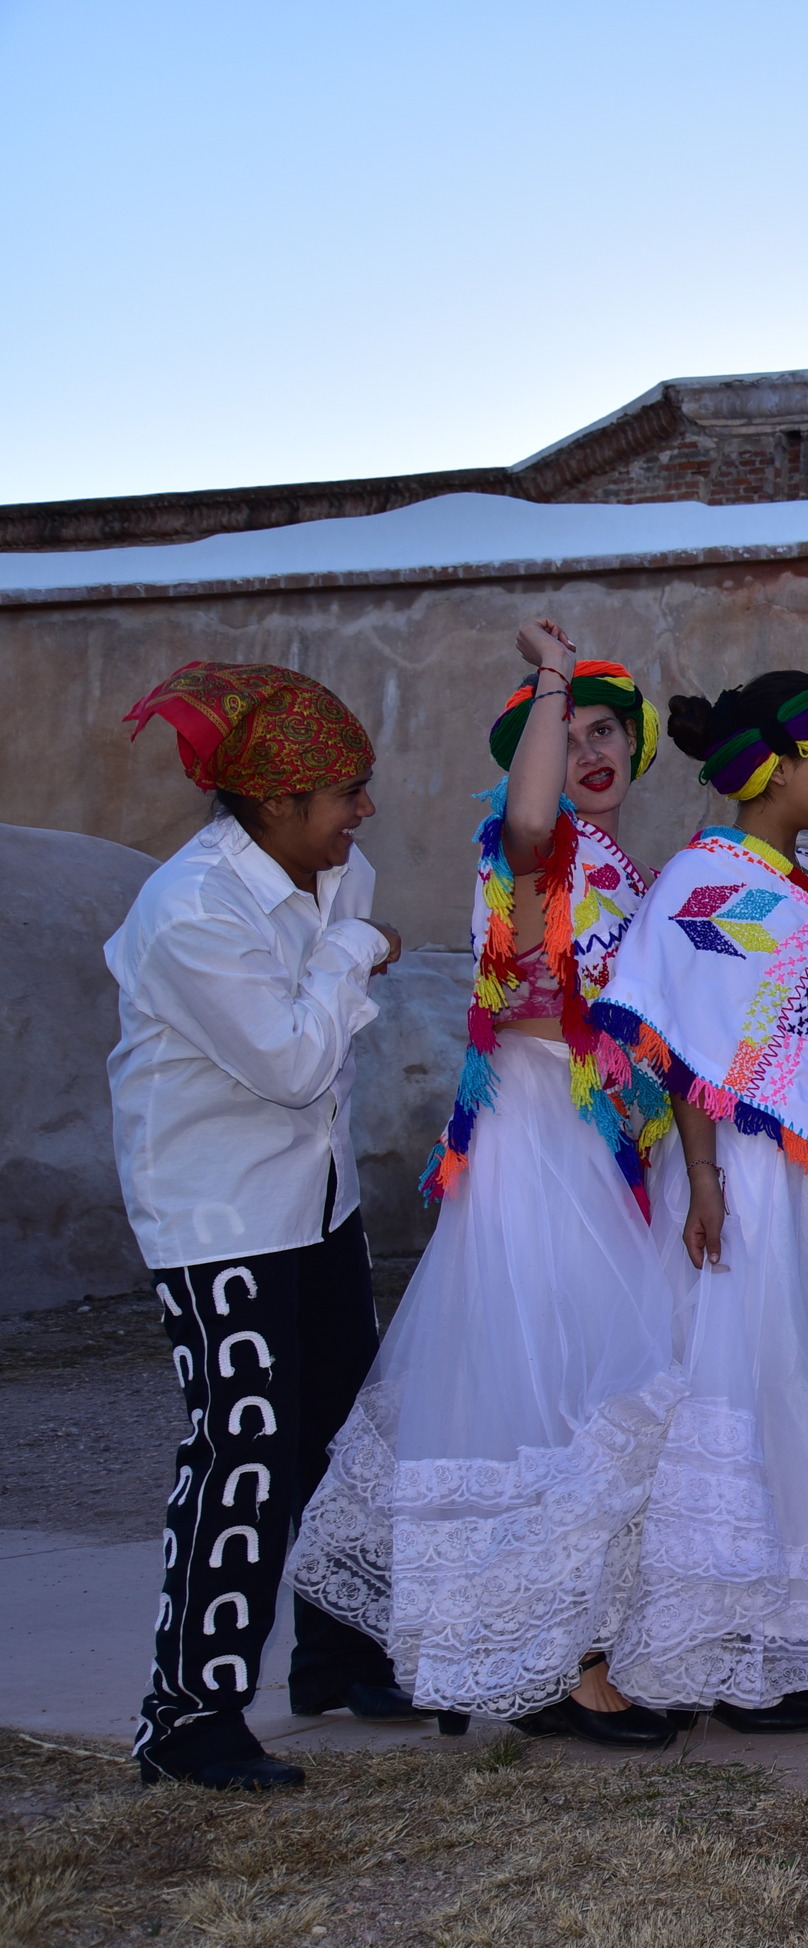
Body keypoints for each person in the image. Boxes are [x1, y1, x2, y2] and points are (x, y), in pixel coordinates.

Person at [287, 623, 683, 1748]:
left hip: (596, 1136)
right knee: (564, 1375)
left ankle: (529, 1646)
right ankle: (553, 1661)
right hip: (537, 1129)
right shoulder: (536, 840)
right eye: (566, 732)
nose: (589, 749)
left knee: (575, 1377)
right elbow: (527, 852)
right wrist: (552, 678)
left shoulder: (628, 871)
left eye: (607, 729)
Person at [590, 671, 808, 1731]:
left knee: (801, 1386)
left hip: (806, 1178)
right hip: (734, 1175)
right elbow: (688, 1044)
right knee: (728, 1383)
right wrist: (698, 1176)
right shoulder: (707, 882)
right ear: (776, 767)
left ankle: (787, 1636)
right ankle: (716, 1640)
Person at [109, 660, 412, 1789]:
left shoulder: (337, 869)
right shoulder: (190, 909)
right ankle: (186, 1715)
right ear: (275, 805)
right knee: (242, 1452)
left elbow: (315, 1041)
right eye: (345, 794)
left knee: (344, 1432)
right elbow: (291, 1062)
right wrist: (352, 952)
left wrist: (346, 949)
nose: (363, 813)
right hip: (218, 1215)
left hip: (314, 1199)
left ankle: (340, 1654)